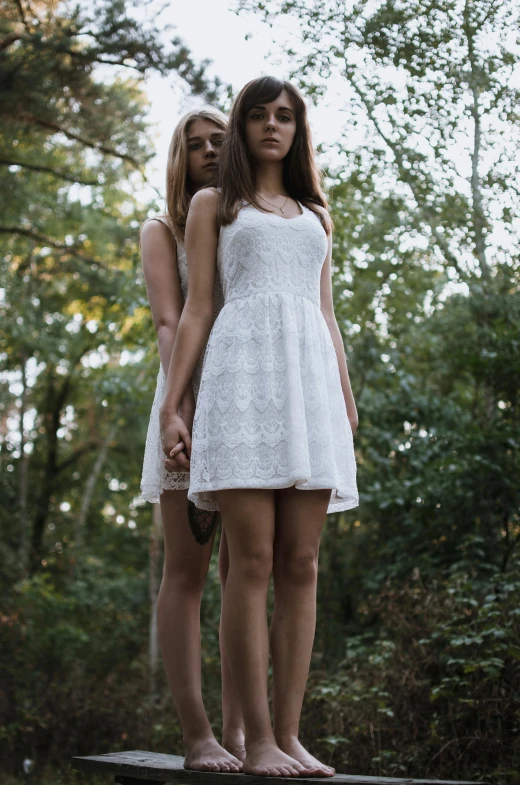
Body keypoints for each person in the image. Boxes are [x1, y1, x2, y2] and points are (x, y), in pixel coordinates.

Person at [160, 77, 359, 778]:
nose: (272, 126)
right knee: (251, 562)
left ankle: (293, 734)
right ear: (242, 126)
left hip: (311, 395)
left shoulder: (316, 214)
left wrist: (345, 395)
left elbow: (327, 314)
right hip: (242, 385)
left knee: (302, 564)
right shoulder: (215, 205)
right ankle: (260, 740)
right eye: (258, 115)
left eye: (285, 116)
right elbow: (197, 309)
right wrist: (174, 404)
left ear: (298, 128)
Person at [140, 107, 244, 773]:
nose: (208, 150)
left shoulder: (247, 220)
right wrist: (182, 406)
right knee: (188, 572)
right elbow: (170, 322)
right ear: (180, 157)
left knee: (249, 572)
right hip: (190, 400)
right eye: (195, 144)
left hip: (250, 402)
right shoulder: (164, 228)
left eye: (217, 140)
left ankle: (243, 730)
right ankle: (198, 733)